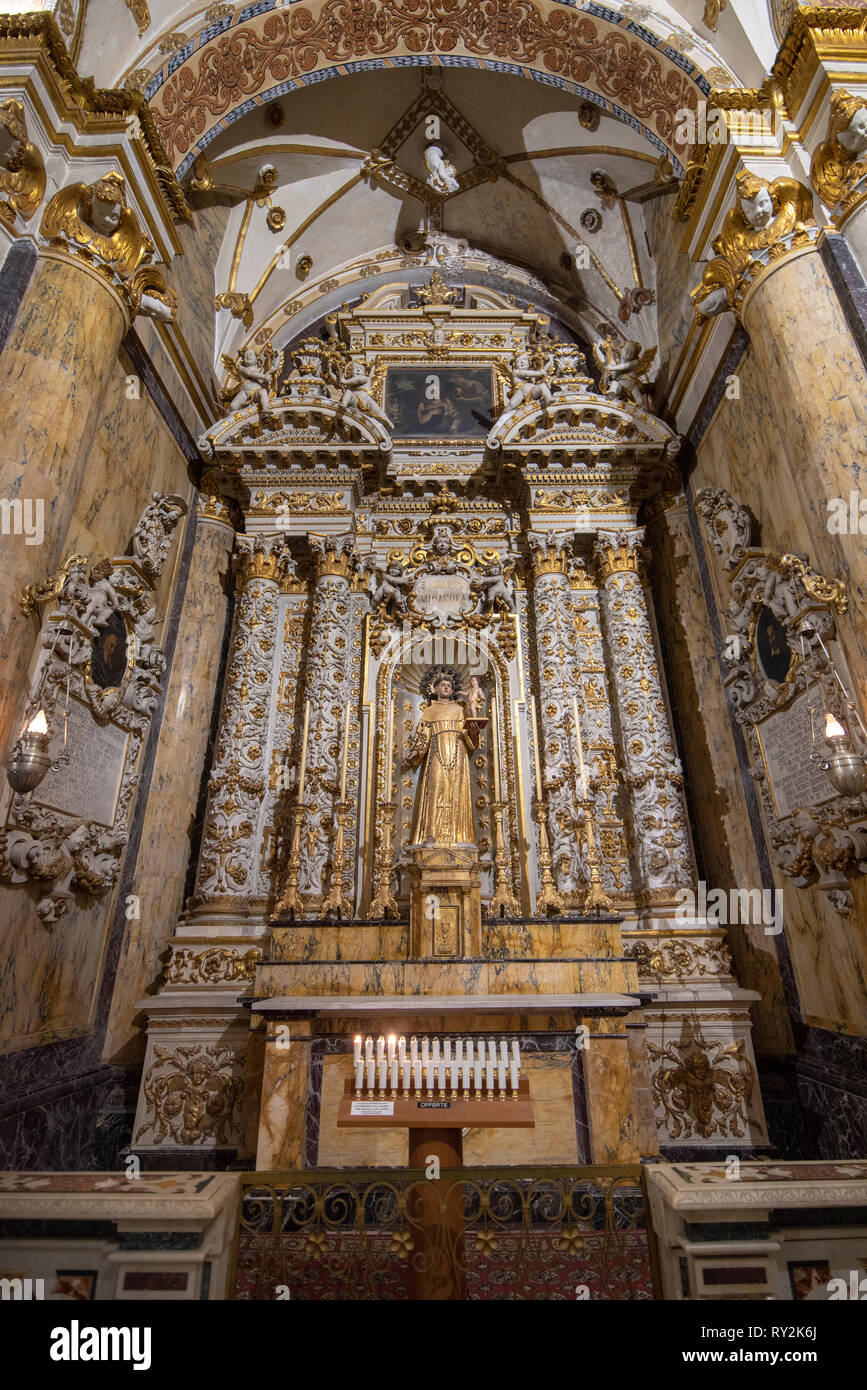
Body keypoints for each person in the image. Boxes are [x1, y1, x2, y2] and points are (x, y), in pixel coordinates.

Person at [404, 667, 478, 848]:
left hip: (456, 753)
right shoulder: (430, 711)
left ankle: (457, 835)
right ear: (435, 689)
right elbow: (423, 735)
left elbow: (468, 733)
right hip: (436, 753)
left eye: (449, 686)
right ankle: (432, 835)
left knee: (455, 791)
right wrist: (415, 751)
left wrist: (473, 724)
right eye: (443, 685)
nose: (446, 688)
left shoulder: (459, 710)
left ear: (453, 690)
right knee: (435, 787)